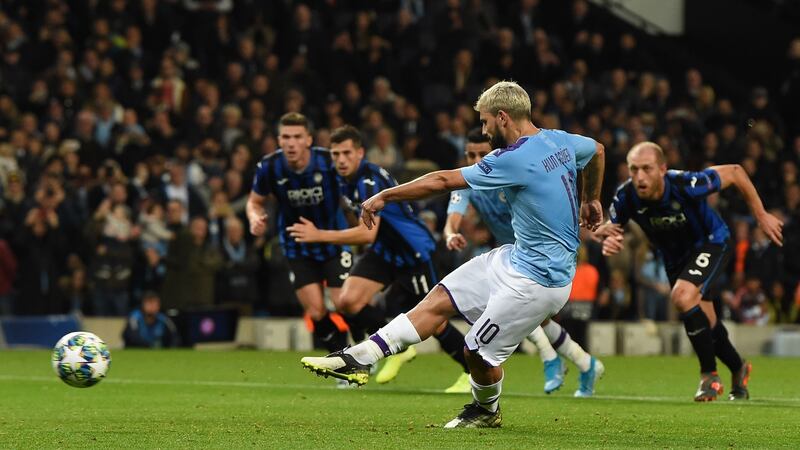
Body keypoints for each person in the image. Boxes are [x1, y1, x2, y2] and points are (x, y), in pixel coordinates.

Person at [301, 81, 605, 428]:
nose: (483, 129)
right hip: (514, 257)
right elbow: (597, 149)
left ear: (503, 117)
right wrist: (591, 198)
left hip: (541, 280)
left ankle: (487, 411)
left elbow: (443, 182)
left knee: (475, 351)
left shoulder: (515, 159)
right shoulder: (559, 139)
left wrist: (387, 195)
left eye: (486, 121)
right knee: (439, 299)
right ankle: (360, 357)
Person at [287, 125, 472, 393]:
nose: (340, 159)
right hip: (385, 252)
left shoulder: (368, 181)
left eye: (346, 153)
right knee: (348, 301)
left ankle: (470, 372)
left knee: (436, 321)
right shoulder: (344, 180)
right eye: (335, 154)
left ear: (360, 153)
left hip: (413, 253)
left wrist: (319, 235)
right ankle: (395, 348)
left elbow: (366, 234)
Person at [596, 141, 783, 401]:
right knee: (707, 321)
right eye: (634, 169)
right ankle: (738, 367)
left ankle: (709, 376)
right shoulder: (626, 196)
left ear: (662, 169)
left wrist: (761, 215)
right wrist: (606, 237)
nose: (639, 176)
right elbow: (607, 227)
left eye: (647, 169)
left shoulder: (686, 184)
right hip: (676, 259)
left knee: (682, 296)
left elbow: (736, 171)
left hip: (712, 241)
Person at [444, 128, 604, 397]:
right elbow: (454, 215)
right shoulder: (472, 179)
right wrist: (451, 234)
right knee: (534, 319)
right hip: (512, 261)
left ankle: (552, 359)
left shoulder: (511, 169)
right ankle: (584, 364)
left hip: (541, 259)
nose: (475, 159)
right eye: (470, 154)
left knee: (527, 316)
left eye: (482, 154)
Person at [247, 112, 352, 353]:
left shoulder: (329, 162)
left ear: (308, 140)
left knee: (343, 303)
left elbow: (354, 185)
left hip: (334, 241)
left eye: (297, 137)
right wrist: (254, 218)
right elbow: (254, 201)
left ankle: (368, 347)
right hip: (297, 246)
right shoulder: (270, 166)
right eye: (286, 137)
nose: (291, 143)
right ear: (279, 140)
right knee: (315, 311)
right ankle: (342, 358)